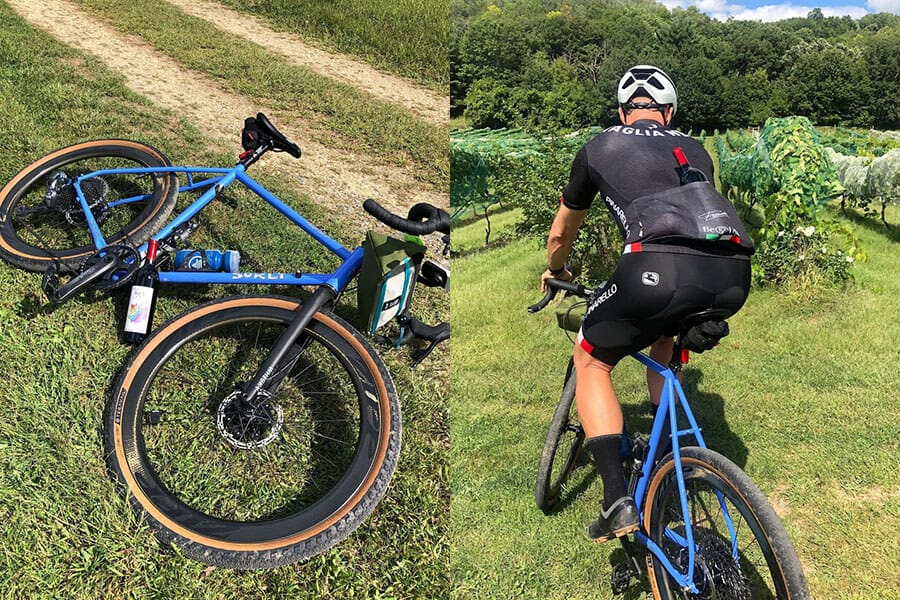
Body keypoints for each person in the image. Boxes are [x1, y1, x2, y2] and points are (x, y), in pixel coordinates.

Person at [541, 65, 754, 543]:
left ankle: (616, 500)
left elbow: (562, 231)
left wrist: (557, 269)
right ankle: (666, 454)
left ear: (621, 111)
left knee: (591, 361)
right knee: (663, 336)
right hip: (732, 274)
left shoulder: (599, 146)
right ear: (670, 113)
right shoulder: (695, 147)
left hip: (653, 270)